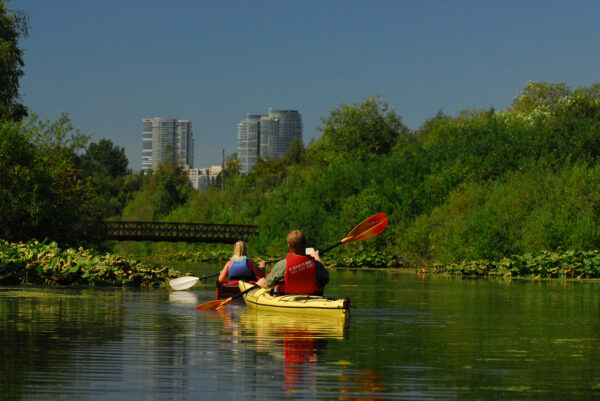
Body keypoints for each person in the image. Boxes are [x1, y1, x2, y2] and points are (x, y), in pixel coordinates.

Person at [256, 230, 329, 295]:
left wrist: (261, 283)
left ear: (289, 247)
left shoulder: (282, 264)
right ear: (305, 244)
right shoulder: (316, 264)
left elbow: (268, 284)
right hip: (312, 297)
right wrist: (317, 258)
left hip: (286, 298)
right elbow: (326, 278)